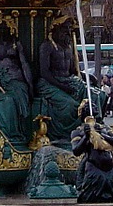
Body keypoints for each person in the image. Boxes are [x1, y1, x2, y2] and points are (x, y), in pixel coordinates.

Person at [34, 16, 104, 146]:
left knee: (97, 94)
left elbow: (72, 70)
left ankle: (94, 126)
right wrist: (62, 86)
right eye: (64, 30)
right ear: (55, 31)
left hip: (68, 80)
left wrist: (87, 77)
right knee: (70, 105)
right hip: (49, 83)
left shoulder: (68, 47)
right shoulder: (47, 46)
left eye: (68, 30)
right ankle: (66, 136)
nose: (67, 33)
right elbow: (45, 73)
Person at [0, 13, 33, 147]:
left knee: (10, 100)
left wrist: (30, 84)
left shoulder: (16, 45)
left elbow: (24, 64)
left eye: (4, 29)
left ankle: (11, 133)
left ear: (10, 30)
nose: (2, 32)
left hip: (15, 79)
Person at [70, 102, 113, 203]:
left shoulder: (104, 128)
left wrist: (102, 134)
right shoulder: (77, 132)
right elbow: (76, 151)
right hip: (93, 167)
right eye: (90, 106)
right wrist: (86, 136)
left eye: (94, 105)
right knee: (91, 197)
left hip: (111, 169)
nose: (94, 107)